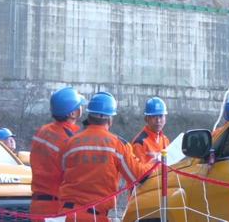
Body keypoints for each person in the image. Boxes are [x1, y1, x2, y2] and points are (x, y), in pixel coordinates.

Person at [58, 92, 146, 222]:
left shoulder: (70, 142)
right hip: (94, 216)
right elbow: (138, 176)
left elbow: (60, 174)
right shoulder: (118, 144)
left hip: (67, 215)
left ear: (89, 117)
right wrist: (157, 163)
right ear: (110, 119)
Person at [29, 87, 86, 217]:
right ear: (73, 113)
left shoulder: (42, 131)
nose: (81, 108)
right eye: (79, 106)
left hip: (37, 205)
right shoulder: (70, 140)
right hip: (56, 208)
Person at [131, 97, 170, 173]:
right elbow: (139, 173)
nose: (158, 120)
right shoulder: (139, 143)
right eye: (154, 116)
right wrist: (153, 163)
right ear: (146, 119)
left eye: (161, 116)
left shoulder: (165, 140)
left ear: (165, 119)